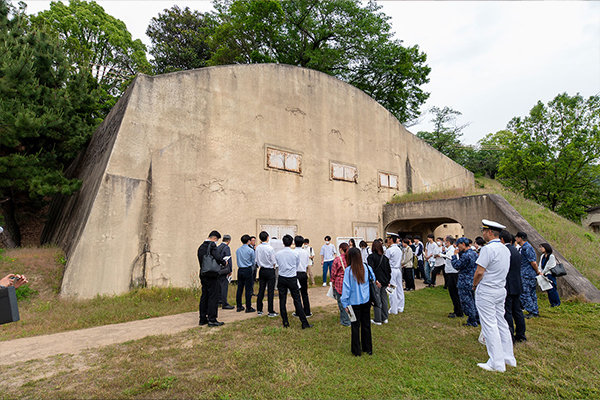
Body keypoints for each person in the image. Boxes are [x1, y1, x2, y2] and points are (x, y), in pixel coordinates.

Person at [472, 220, 516, 372]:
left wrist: (474, 285)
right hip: (500, 289)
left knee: (489, 325)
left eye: (484, 231)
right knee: (501, 323)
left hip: (487, 290)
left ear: (489, 232)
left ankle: (496, 363)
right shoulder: (505, 249)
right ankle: (508, 357)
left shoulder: (487, 249)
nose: (482, 234)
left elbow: (479, 272)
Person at [341, 247, 377, 356]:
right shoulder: (367, 267)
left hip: (353, 303)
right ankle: (368, 348)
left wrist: (344, 303)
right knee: (366, 325)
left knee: (355, 326)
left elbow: (346, 288)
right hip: (366, 301)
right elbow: (373, 279)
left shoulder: (348, 271)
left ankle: (356, 351)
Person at [275, 235, 312, 329]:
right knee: (297, 300)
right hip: (292, 278)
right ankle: (304, 323)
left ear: (283, 243)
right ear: (292, 243)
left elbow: (277, 264)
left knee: (282, 301)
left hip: (282, 278)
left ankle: (285, 322)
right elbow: (296, 265)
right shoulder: (295, 254)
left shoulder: (278, 254)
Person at [500, 230, 527, 343]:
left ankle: (510, 336)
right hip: (516, 283)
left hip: (508, 284)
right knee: (517, 311)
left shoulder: (504, 251)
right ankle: (521, 334)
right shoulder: (516, 251)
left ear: (502, 240)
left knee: (508, 312)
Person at [198, 230, 227, 327]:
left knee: (204, 296)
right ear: (214, 238)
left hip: (203, 273)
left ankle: (202, 318)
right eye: (217, 240)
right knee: (213, 297)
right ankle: (212, 319)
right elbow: (218, 257)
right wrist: (224, 262)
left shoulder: (201, 247)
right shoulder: (212, 246)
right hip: (212, 275)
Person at [451, 237, 479, 326]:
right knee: (473, 300)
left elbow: (457, 265)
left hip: (464, 281)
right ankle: (477, 318)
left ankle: (472, 320)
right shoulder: (474, 254)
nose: (458, 248)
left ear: (463, 244)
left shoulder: (466, 255)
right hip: (473, 280)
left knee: (467, 302)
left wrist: (454, 256)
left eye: (459, 246)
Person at [515, 232, 540, 318]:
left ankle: (532, 310)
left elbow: (533, 262)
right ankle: (534, 310)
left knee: (526, 293)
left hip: (527, 274)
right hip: (526, 273)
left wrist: (537, 271)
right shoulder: (524, 248)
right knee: (531, 293)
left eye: (517, 237)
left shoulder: (527, 248)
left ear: (520, 238)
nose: (516, 239)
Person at [368, 240, 391, 325]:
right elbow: (389, 271)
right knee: (384, 299)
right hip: (385, 281)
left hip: (377, 282)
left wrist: (376, 280)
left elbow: (371, 270)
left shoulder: (371, 257)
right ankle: (385, 317)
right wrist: (388, 281)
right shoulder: (385, 258)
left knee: (377, 300)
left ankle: (378, 319)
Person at [255, 231, 278, 317]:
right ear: (268, 237)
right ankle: (270, 311)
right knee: (270, 291)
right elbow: (274, 261)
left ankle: (259, 310)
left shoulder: (257, 248)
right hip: (270, 270)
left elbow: (256, 260)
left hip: (262, 270)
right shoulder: (270, 248)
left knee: (261, 289)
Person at [331, 242, 351, 326]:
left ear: (340, 249)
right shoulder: (351, 258)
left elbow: (333, 272)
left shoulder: (337, 259)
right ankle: (352, 318)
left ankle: (345, 321)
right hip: (350, 282)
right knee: (349, 302)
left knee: (341, 303)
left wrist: (332, 282)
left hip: (340, 283)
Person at [235, 234, 256, 313]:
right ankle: (248, 307)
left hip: (240, 269)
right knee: (248, 289)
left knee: (239, 288)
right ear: (248, 241)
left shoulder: (238, 250)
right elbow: (253, 261)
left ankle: (239, 306)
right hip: (247, 269)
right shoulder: (250, 250)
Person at [443, 236, 463, 318]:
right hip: (450, 273)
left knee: (454, 293)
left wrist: (442, 255)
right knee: (453, 293)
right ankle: (457, 310)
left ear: (448, 242)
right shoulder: (449, 250)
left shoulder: (451, 250)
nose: (444, 243)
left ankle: (458, 312)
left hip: (453, 273)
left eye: (445, 241)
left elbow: (452, 259)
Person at [385, 235, 405, 314]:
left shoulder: (390, 250)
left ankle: (394, 309)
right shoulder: (399, 249)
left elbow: (386, 261)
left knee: (392, 289)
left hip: (392, 270)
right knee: (399, 288)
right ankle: (400, 307)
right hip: (398, 269)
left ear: (391, 240)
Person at [294, 235, 312, 317]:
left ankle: (298, 312)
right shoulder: (305, 252)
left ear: (294, 242)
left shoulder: (293, 252)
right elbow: (306, 263)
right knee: (304, 293)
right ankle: (307, 311)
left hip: (295, 274)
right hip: (303, 273)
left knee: (296, 294)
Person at [539, 243, 561, 307]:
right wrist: (539, 271)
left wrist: (543, 272)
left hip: (550, 274)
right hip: (544, 274)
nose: (540, 249)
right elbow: (540, 265)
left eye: (542, 247)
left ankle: (556, 303)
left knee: (553, 289)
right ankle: (552, 303)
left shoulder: (551, 256)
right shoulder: (542, 256)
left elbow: (549, 266)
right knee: (548, 290)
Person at [216, 235, 234, 310]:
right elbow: (228, 259)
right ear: (229, 240)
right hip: (224, 269)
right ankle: (224, 303)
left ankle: (219, 301)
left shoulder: (218, 247)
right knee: (224, 286)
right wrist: (230, 270)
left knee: (219, 286)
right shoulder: (226, 248)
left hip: (218, 269)